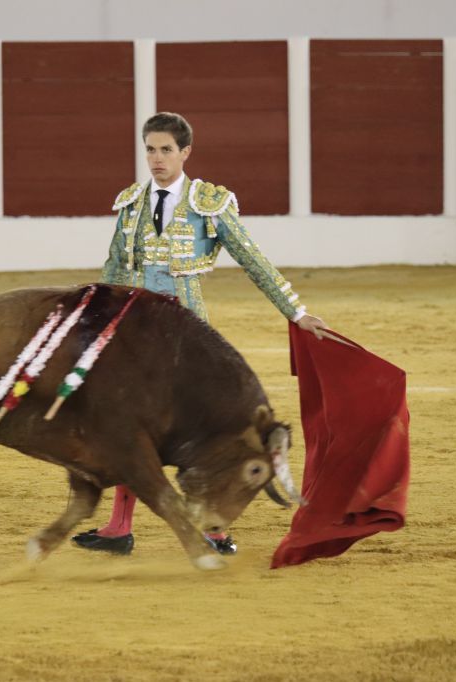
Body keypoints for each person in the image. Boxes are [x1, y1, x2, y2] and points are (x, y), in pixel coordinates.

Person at [71, 112, 327, 557]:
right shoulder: (132, 203)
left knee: (205, 432)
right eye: (150, 149)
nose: (156, 158)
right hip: (137, 332)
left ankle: (215, 530)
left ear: (185, 152)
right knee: (128, 424)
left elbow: (254, 260)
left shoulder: (209, 202)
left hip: (189, 335)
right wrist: (94, 324)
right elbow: (115, 269)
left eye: (166, 149)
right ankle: (118, 528)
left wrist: (297, 311)